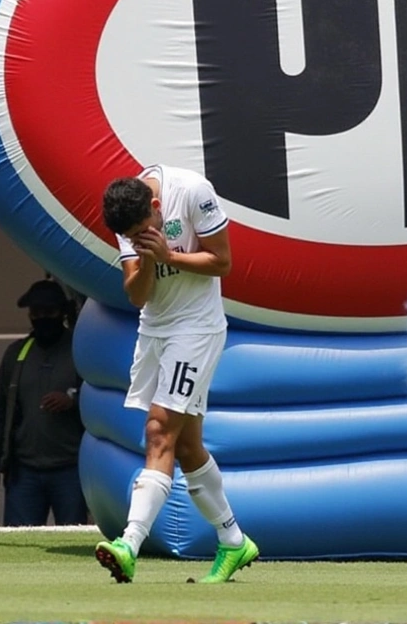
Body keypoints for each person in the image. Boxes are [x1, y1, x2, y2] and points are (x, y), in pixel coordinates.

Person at [93, 166, 258, 584]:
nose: (135, 237)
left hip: (197, 329)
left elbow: (223, 261)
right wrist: (149, 258)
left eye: (141, 230)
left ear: (155, 207)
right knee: (187, 447)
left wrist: (171, 256)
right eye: (129, 236)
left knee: (158, 430)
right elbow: (137, 294)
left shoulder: (193, 192)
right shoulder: (126, 214)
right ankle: (234, 540)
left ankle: (128, 544)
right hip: (155, 330)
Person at [0, 279, 87, 525]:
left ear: (62, 312)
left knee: (73, 539)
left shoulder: (81, 349)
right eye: (36, 313)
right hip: (24, 471)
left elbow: (103, 399)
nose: (42, 319)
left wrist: (72, 400)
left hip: (71, 468)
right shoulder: (16, 354)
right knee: (18, 542)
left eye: (48, 312)